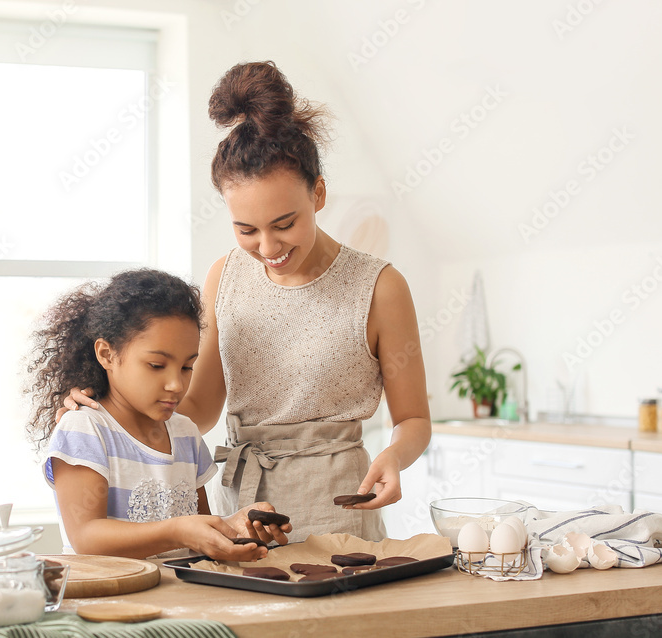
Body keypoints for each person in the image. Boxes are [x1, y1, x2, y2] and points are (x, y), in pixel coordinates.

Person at [61, 62, 432, 542]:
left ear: (318, 194)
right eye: (246, 230)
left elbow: (414, 419)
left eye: (284, 224)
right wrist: (101, 416)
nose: (268, 247)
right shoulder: (226, 276)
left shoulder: (379, 287)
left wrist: (393, 457)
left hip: (341, 503)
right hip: (246, 509)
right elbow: (197, 406)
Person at [27, 268, 291, 560]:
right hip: (108, 601)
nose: (176, 385)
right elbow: (86, 538)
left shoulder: (186, 433)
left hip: (178, 599)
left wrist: (232, 529)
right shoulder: (85, 429)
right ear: (106, 354)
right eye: (156, 365)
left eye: (187, 367)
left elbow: (197, 535)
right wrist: (176, 531)